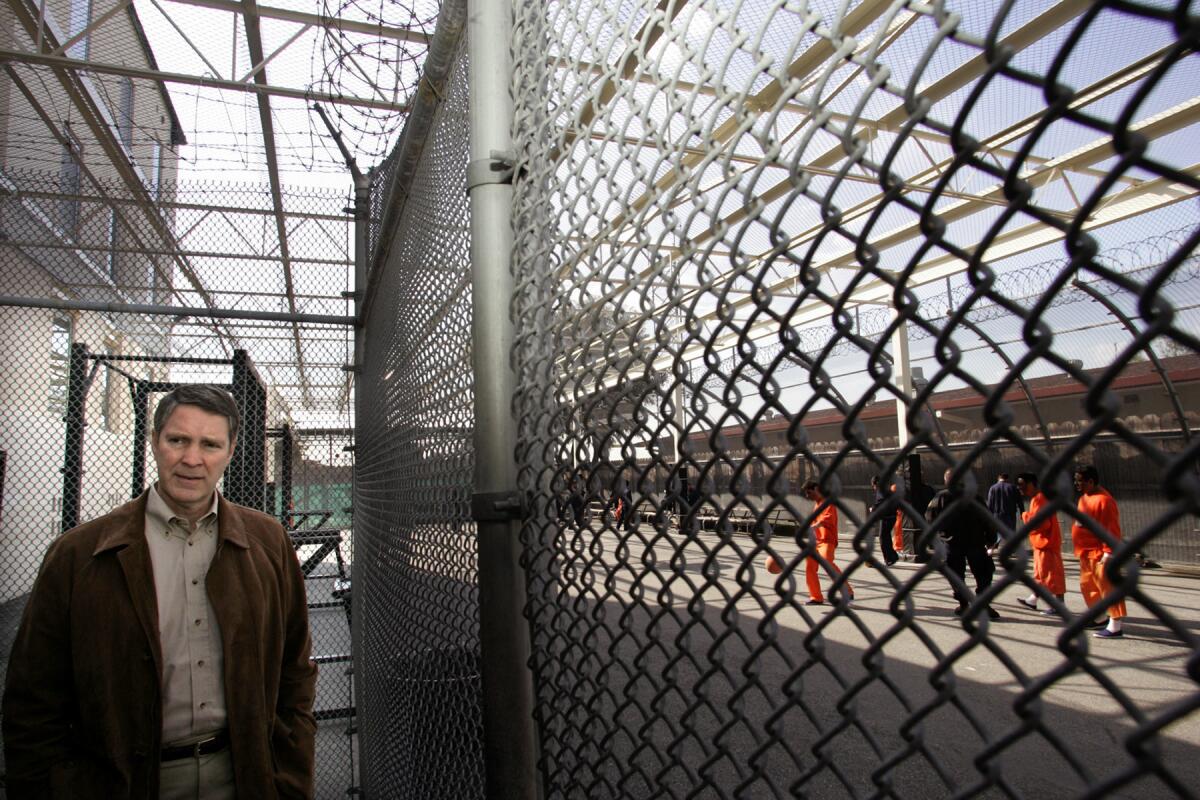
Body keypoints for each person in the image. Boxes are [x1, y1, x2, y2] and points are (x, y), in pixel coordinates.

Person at [3, 385, 317, 799]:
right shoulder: (78, 556)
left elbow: (296, 670)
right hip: (125, 784)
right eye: (177, 440)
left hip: (246, 777)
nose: (192, 459)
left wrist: (291, 777)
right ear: (154, 442)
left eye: (209, 444)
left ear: (231, 450)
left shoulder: (268, 542)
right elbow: (32, 699)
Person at [924, 469, 1000, 620]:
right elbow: (988, 519)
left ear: (947, 481)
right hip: (975, 541)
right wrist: (991, 539)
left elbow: (929, 517)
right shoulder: (975, 497)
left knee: (955, 574)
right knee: (984, 573)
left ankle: (964, 603)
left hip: (952, 542)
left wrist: (938, 535)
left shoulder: (941, 497)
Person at [1071, 465, 1127, 638]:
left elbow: (1111, 528)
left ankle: (1115, 624)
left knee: (1108, 587)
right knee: (1088, 586)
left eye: (1080, 480)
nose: (1076, 484)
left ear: (1091, 481)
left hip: (1099, 552)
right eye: (1075, 480)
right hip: (1085, 551)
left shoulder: (1104, 500)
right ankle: (1100, 617)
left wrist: (1109, 552)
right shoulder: (1084, 498)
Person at [1014, 473, 1066, 614]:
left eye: (1023, 485)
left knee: (1051, 575)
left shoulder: (1039, 499)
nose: (1021, 489)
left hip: (1046, 543)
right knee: (1041, 573)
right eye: (1019, 486)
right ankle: (1034, 599)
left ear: (1032, 484)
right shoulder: (1037, 498)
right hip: (1042, 543)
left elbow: (1041, 524)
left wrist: (1025, 516)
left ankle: (1058, 604)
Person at [800, 480, 853, 606]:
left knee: (827, 562)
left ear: (816, 489)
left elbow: (827, 518)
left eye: (809, 492)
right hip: (816, 542)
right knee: (809, 566)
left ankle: (847, 591)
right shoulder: (817, 505)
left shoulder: (828, 503)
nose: (807, 496)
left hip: (827, 541)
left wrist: (816, 525)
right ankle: (816, 597)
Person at [986, 473, 1023, 552]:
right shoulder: (1012, 487)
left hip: (996, 514)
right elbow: (1020, 501)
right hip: (1010, 514)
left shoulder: (993, 488)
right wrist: (1022, 512)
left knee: (996, 531)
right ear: (1008, 479)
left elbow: (990, 503)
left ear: (998, 478)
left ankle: (993, 547)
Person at [869, 475, 898, 566]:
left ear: (876, 484)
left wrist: (873, 508)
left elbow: (882, 502)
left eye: (873, 485)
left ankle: (889, 559)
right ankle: (893, 556)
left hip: (887, 517)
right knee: (886, 537)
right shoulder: (887, 489)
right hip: (891, 516)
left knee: (882, 538)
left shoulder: (881, 490)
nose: (873, 488)